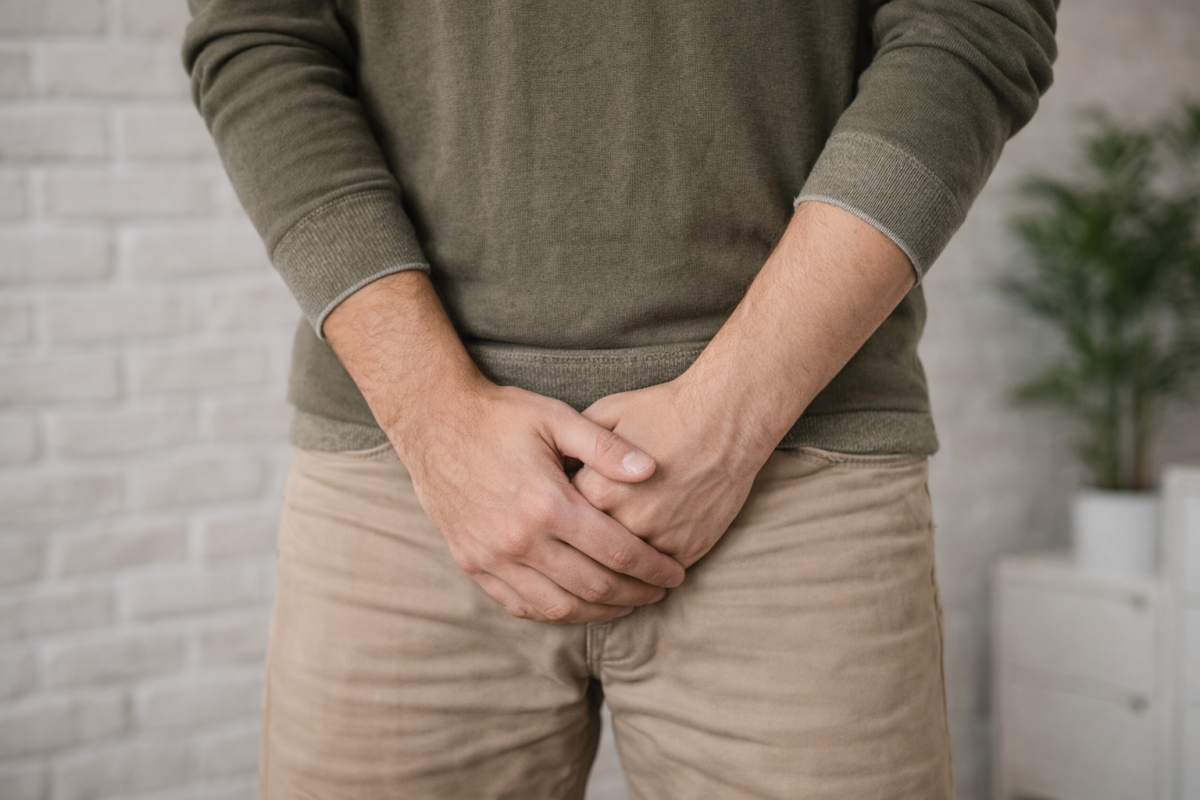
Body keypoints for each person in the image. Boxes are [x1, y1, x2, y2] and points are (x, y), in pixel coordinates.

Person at [184, 2, 1057, 797]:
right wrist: (435, 421)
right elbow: (261, 37)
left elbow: (970, 24)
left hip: (801, 469)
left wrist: (731, 418)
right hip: (403, 482)